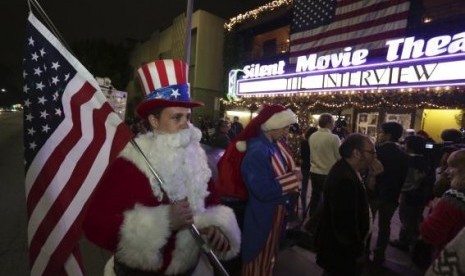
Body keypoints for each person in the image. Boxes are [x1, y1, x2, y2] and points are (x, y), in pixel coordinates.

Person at [83, 59, 241, 276]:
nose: (186, 125)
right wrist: (163, 222)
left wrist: (215, 228)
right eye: (176, 117)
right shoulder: (129, 164)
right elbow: (94, 225)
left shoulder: (195, 156)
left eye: (188, 117)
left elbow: (211, 202)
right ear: (154, 121)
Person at [218, 104, 301, 275]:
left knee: (267, 260)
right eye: (285, 127)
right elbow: (262, 190)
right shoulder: (258, 151)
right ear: (272, 126)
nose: (287, 132)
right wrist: (293, 179)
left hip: (273, 217)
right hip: (264, 217)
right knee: (257, 262)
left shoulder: (272, 145)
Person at [315, 133, 383, 276]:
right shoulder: (344, 179)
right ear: (356, 153)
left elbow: (360, 200)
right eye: (371, 152)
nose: (374, 156)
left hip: (342, 250)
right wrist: (356, 251)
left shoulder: (351, 170)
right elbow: (344, 224)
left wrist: (372, 176)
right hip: (340, 252)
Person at [369, 121, 409, 264]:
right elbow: (404, 178)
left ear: (388, 135)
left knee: (368, 223)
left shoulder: (376, 151)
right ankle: (380, 253)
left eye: (382, 132)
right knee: (385, 226)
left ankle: (365, 250)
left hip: (374, 193)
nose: (380, 135)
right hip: (392, 195)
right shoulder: (404, 155)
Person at [390, 135, 434, 252]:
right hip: (421, 195)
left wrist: (400, 190)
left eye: (406, 144)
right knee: (415, 218)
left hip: (411, 195)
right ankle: (414, 241)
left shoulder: (412, 161)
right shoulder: (425, 159)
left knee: (407, 219)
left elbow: (410, 182)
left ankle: (407, 243)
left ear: (411, 146)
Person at [420, 148, 465, 256]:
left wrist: (437, 208)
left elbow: (430, 233)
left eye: (452, 166)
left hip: (451, 258)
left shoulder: (454, 198)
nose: (446, 171)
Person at [305, 113, 341, 233]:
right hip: (328, 172)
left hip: (314, 171)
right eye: (333, 122)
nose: (334, 124)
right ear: (329, 123)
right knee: (327, 199)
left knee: (315, 197)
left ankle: (311, 221)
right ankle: (320, 223)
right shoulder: (334, 138)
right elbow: (339, 156)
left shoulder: (313, 136)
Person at [300, 126, 318, 218]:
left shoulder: (304, 143)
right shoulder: (315, 143)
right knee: (315, 190)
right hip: (314, 167)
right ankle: (313, 210)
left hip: (305, 166)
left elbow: (302, 156)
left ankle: (303, 209)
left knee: (304, 188)